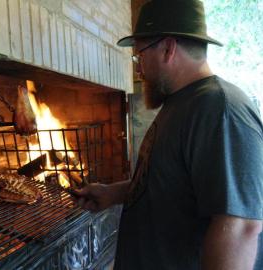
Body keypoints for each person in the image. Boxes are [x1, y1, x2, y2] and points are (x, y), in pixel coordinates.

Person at [74, 1, 263, 269]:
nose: (138, 69)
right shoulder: (180, 103)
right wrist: (112, 193)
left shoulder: (219, 108)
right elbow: (169, 184)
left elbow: (241, 226)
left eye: (139, 56)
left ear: (168, 48)